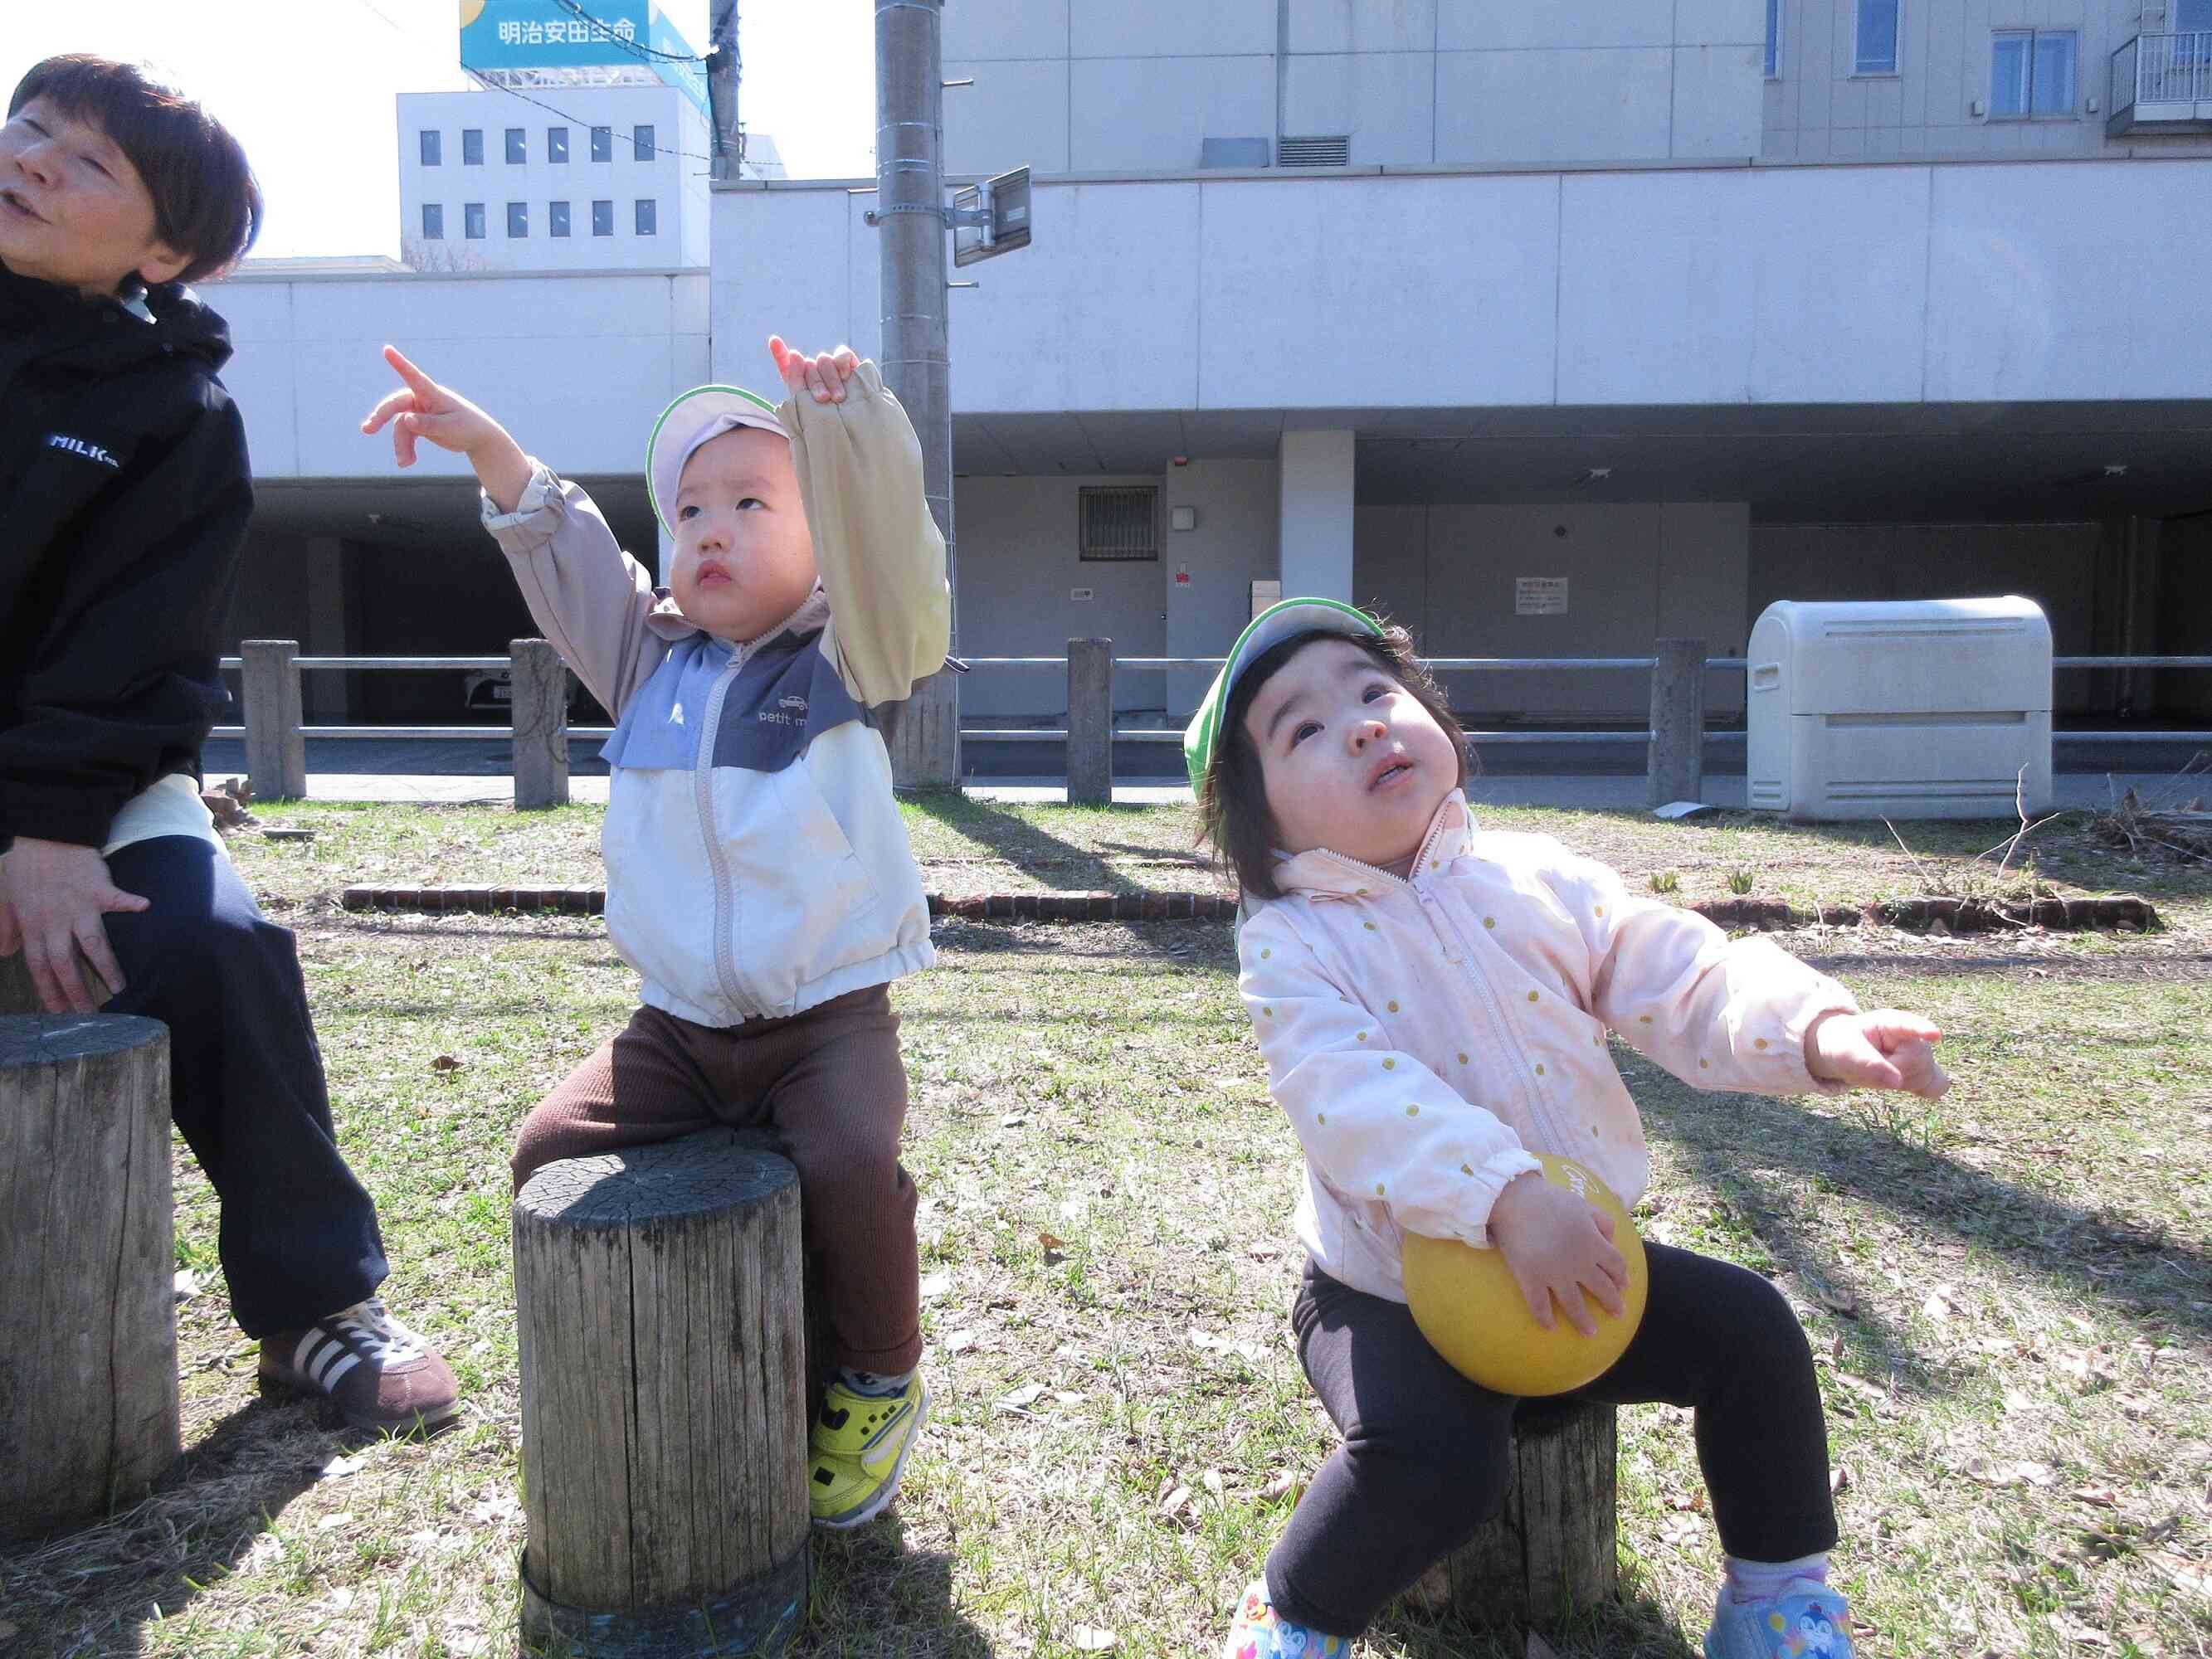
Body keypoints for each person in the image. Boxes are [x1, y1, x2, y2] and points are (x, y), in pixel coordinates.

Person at [1185, 598, 1951, 1659]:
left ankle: (1775, 1601)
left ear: (1432, 720)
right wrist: (1502, 1193)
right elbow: (1344, 1094)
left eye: (1374, 692)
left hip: (1578, 1264)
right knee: (1436, 1460)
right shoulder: (1291, 944)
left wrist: (1814, 1028)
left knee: (1752, 1334)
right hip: (1388, 1288)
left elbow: (1683, 971)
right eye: (1301, 728)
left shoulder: (1538, 876)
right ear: (1257, 820)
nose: (1360, 723)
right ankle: (1295, 1616)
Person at [362, 334, 948, 1527]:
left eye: (750, 501)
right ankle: (608, 1368)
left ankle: (879, 1373)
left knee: (843, 1162)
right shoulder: (647, 665)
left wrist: (850, 430)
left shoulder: (849, 651)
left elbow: (894, 554)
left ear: (821, 537)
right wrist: (487, 448)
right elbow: (569, 553)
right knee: (546, 1156)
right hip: (676, 1028)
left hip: (826, 1016)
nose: (713, 529)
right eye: (690, 510)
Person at [0, 56, 457, 1434]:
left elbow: (138, 647)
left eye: (86, 160)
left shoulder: (175, 413)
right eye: (29, 127)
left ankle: (317, 1305)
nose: (30, 158)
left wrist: (47, 829)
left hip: (83, 788)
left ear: (164, 249)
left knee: (219, 947)